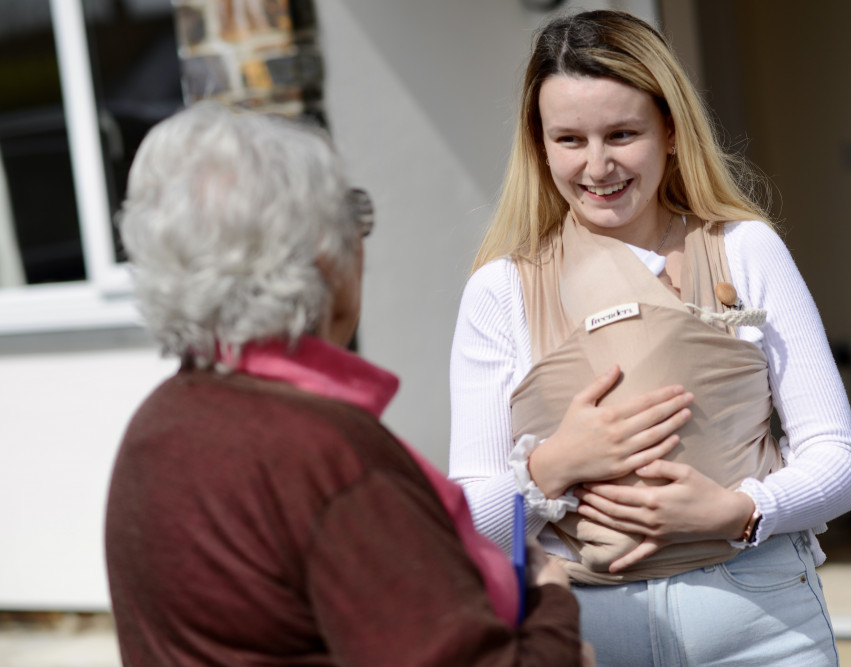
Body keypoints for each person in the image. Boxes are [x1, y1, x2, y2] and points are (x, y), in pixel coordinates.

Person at [104, 102, 595, 666]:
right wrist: (553, 606)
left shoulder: (158, 423)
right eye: (354, 216)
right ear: (324, 258)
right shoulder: (325, 458)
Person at [449, 10, 851, 666]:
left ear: (671, 131)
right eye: (569, 139)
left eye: (622, 133)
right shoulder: (500, 291)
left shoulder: (742, 250)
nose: (597, 166)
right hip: (593, 628)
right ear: (539, 145)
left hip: (760, 619)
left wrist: (738, 509)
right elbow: (466, 518)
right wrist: (554, 464)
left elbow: (840, 461)